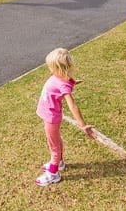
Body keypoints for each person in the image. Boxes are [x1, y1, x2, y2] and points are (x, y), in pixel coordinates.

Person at [35, 47, 95, 186]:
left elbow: (72, 105)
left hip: (51, 119)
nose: (49, 69)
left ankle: (53, 174)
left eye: (50, 66)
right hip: (48, 116)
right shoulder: (61, 77)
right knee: (55, 141)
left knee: (54, 146)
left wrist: (83, 125)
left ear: (57, 68)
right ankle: (60, 163)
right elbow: (67, 81)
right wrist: (73, 82)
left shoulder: (62, 83)